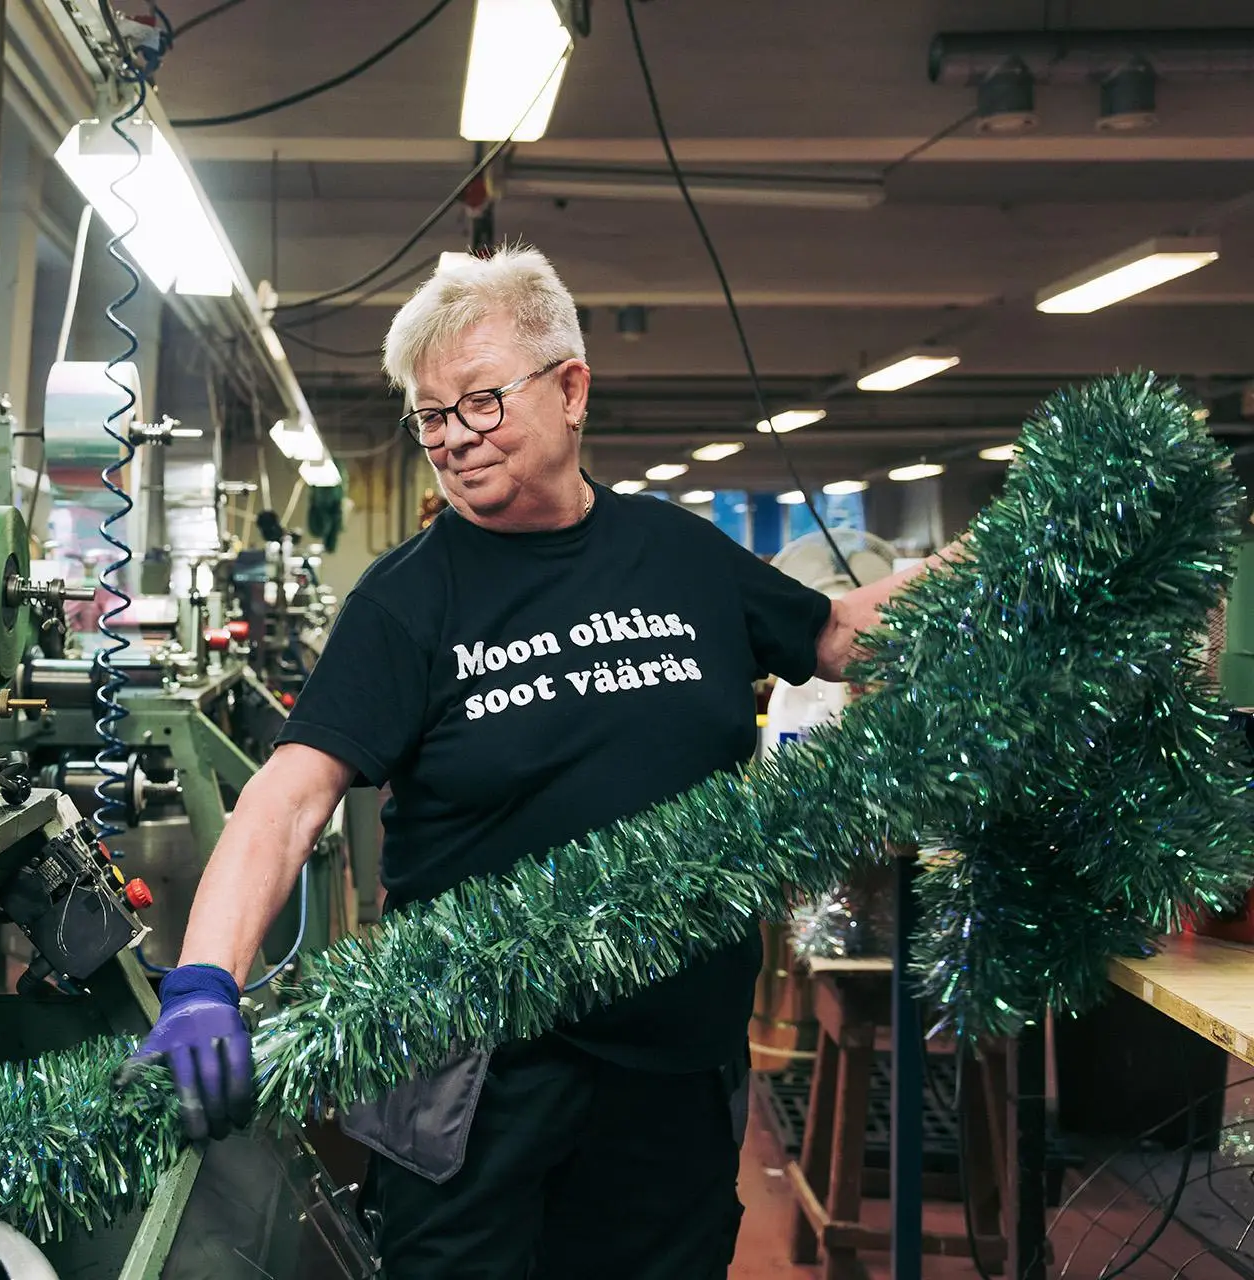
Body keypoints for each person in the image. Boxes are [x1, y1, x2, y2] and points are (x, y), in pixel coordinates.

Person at [131, 246, 944, 1278]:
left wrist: (1006, 566)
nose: (453, 441)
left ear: (571, 389)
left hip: (674, 1066)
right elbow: (290, 795)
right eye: (430, 417)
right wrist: (205, 976)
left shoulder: (681, 555)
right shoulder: (407, 601)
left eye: (480, 402)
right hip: (471, 1079)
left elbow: (836, 634)